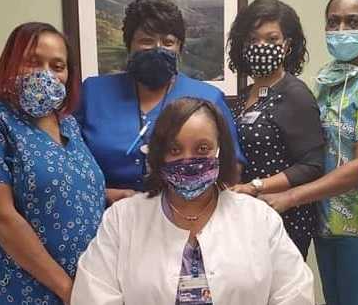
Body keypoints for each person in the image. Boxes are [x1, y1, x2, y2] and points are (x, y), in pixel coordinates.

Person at [71, 97, 314, 305]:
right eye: (175, 150)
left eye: (202, 149)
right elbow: (93, 294)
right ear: (158, 153)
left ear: (221, 150)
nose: (188, 160)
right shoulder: (122, 219)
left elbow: (294, 293)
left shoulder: (258, 218)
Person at [260, 0, 358, 305]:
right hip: (328, 219)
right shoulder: (328, 77)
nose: (342, 30)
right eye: (334, 22)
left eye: (353, 21)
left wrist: (290, 197)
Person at [0, 22, 106, 305]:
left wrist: (118, 195)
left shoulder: (67, 124)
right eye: (32, 62)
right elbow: (0, 218)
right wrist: (68, 291)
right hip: (20, 291)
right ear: (9, 64)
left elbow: (66, 190)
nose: (46, 74)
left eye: (58, 66)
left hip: (84, 285)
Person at [75, 0, 245, 205]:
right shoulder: (93, 92)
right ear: (129, 46)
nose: (158, 48)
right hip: (105, 212)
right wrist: (105, 194)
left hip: (184, 213)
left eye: (168, 42)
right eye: (146, 41)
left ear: (179, 48)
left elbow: (231, 167)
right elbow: (67, 162)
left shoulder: (208, 97)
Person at [227, 0, 325, 260]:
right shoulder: (248, 93)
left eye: (271, 39)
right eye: (253, 39)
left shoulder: (295, 94)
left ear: (288, 45)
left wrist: (256, 186)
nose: (262, 46)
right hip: (247, 212)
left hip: (284, 216)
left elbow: (313, 164)